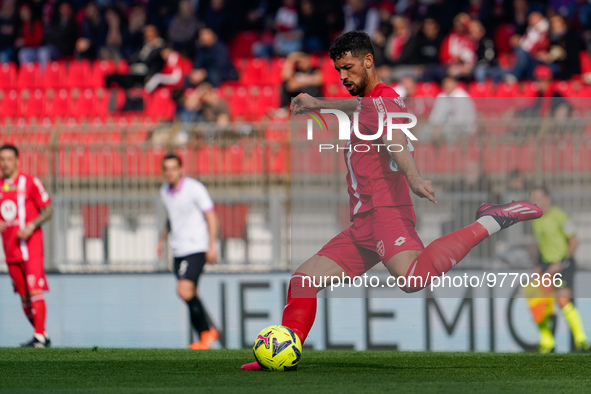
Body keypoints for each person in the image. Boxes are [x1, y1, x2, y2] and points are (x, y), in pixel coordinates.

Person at [241, 31, 543, 370]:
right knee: (303, 280)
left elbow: (394, 138)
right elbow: (360, 108)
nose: (343, 76)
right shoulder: (372, 101)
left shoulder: (383, 103)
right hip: (362, 224)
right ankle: (285, 353)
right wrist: (318, 103)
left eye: (349, 68)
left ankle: (491, 219)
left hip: (387, 213)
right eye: (339, 69)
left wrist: (414, 178)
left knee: (413, 279)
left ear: (368, 61)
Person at [157, 154, 220, 350]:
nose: (170, 172)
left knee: (183, 290)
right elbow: (172, 217)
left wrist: (211, 245)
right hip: (178, 249)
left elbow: (211, 216)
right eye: (166, 168)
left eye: (174, 168)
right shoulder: (165, 191)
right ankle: (204, 338)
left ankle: (207, 331)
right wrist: (162, 239)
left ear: (181, 169)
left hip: (195, 247)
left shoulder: (195, 188)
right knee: (191, 292)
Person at [0, 144, 53, 347]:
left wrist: (31, 225)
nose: (5, 163)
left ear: (17, 161)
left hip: (31, 245)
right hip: (10, 249)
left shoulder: (30, 182)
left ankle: (39, 337)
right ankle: (42, 333)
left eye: (8, 159)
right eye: (2, 159)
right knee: (23, 296)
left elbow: (48, 209)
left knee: (33, 289)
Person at [529, 186, 590, 353]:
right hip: (546, 264)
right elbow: (542, 245)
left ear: (548, 199)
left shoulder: (560, 216)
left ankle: (581, 340)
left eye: (538, 197)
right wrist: (538, 265)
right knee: (538, 301)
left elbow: (574, 242)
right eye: (533, 197)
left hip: (564, 263)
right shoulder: (535, 219)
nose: (535, 201)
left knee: (563, 302)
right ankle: (547, 342)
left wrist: (560, 263)